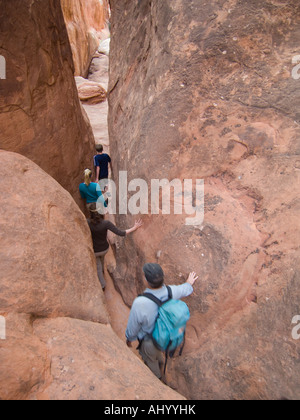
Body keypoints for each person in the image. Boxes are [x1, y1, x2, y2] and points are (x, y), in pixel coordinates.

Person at [125, 263, 198, 380]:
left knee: (150, 359)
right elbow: (185, 290)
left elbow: (133, 327)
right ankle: (161, 360)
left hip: (149, 341)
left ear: (146, 280)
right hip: (166, 336)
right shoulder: (171, 291)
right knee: (159, 351)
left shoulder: (140, 303)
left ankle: (157, 378)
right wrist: (189, 283)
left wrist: (129, 340)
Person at [88, 203, 143, 290]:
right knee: (102, 260)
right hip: (104, 248)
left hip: (95, 250)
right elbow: (120, 233)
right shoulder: (106, 223)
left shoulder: (87, 223)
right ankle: (103, 270)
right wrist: (134, 227)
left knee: (97, 266)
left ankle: (103, 285)